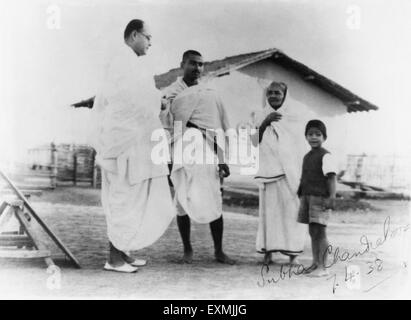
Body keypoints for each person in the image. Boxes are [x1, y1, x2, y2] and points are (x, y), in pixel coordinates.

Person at [91, 19, 175, 273]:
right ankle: (113, 259)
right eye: (148, 37)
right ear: (135, 34)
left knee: (131, 198)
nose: (151, 42)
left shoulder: (129, 62)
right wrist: (158, 100)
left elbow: (136, 96)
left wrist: (155, 100)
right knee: (122, 198)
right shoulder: (122, 61)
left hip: (130, 142)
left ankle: (123, 253)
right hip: (121, 142)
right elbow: (126, 99)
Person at [162, 50, 235, 265]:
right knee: (182, 201)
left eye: (201, 64)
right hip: (182, 154)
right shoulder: (170, 94)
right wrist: (168, 164)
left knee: (214, 198)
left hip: (208, 154)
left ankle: (219, 251)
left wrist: (222, 158)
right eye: (193, 63)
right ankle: (187, 250)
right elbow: (167, 129)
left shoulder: (210, 92)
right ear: (182, 64)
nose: (198, 68)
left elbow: (216, 127)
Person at [251, 81, 306, 265]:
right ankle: (268, 253)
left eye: (278, 93)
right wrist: (265, 122)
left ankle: (293, 255)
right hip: (268, 171)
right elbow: (252, 142)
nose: (273, 96)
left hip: (289, 172)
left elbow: (299, 145)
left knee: (291, 213)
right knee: (268, 215)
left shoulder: (292, 117)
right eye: (270, 92)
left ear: (285, 95)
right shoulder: (258, 115)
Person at [297, 119, 337, 277]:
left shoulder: (326, 156)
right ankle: (315, 263)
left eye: (318, 134)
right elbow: (305, 176)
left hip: (320, 198)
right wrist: (301, 192)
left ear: (324, 137)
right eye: (310, 134)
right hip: (307, 197)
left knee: (320, 232)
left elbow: (331, 178)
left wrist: (332, 197)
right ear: (306, 136)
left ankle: (324, 267)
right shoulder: (307, 156)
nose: (314, 137)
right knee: (312, 231)